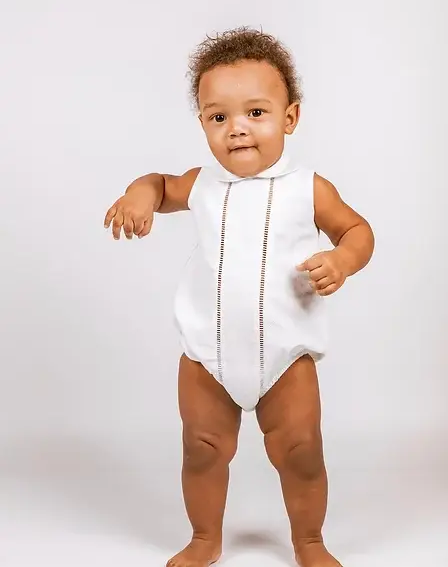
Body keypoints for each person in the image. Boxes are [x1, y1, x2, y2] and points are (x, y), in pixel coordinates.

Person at [104, 28, 374, 567]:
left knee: (301, 451)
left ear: (290, 117)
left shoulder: (308, 187)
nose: (237, 129)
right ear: (203, 123)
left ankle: (310, 541)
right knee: (201, 450)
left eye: (256, 112)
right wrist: (139, 194)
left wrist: (342, 260)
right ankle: (204, 538)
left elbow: (357, 230)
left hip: (286, 355)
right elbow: (159, 183)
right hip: (208, 355)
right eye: (218, 116)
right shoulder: (202, 183)